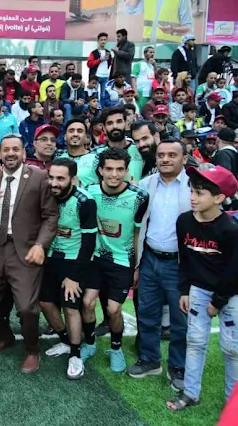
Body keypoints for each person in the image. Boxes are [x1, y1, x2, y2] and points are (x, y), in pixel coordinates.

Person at [0, 134, 58, 372]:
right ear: (0, 153)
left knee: (26, 308)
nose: (11, 153)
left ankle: (32, 350)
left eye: (15, 149)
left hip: (25, 249)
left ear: (23, 153)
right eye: (6, 150)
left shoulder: (39, 176)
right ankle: (6, 337)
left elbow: (51, 215)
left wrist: (40, 245)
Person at [167, 165, 238, 411]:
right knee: (195, 341)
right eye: (192, 191)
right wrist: (184, 290)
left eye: (199, 193)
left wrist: (217, 302)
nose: (192, 197)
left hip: (230, 294)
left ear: (219, 198)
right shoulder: (184, 221)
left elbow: (234, 271)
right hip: (198, 289)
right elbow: (184, 259)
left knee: (232, 348)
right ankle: (190, 392)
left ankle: (232, 404)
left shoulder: (230, 229)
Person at [129, 139, 190, 391]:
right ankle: (149, 359)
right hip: (150, 259)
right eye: (161, 155)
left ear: (184, 159)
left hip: (180, 264)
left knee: (180, 320)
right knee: (147, 313)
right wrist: (136, 264)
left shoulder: (194, 186)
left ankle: (178, 367)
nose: (165, 159)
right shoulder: (146, 185)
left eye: (172, 155)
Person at [82, 148, 149, 372]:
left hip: (122, 260)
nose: (114, 174)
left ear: (127, 170)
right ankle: (90, 344)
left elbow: (138, 233)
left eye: (120, 169)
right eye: (109, 169)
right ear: (100, 170)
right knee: (87, 303)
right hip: (95, 258)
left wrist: (136, 265)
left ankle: (116, 348)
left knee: (113, 310)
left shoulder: (139, 197)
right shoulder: (90, 192)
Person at [40, 157, 97, 379]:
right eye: (51, 177)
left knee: (71, 307)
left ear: (73, 179)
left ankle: (75, 354)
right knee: (45, 302)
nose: (54, 183)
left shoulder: (85, 201)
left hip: (74, 261)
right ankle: (65, 341)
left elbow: (89, 243)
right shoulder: (47, 195)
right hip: (50, 258)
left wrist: (74, 276)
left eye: (60, 179)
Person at [56, 119, 99, 187]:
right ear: (65, 137)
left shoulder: (96, 159)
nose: (75, 134)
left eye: (79, 131)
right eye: (71, 131)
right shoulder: (58, 157)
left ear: (85, 137)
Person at [213, 128, 238, 210]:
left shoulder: (223, 154)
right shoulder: (234, 153)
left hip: (228, 199)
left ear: (218, 139)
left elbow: (224, 175)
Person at [87, 33, 112, 100]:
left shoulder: (108, 52)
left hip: (105, 76)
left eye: (104, 40)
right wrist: (100, 60)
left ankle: (103, 106)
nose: (103, 41)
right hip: (96, 76)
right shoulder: (93, 53)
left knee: (104, 95)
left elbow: (109, 63)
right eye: (101, 40)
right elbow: (89, 64)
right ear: (98, 41)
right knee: (95, 94)